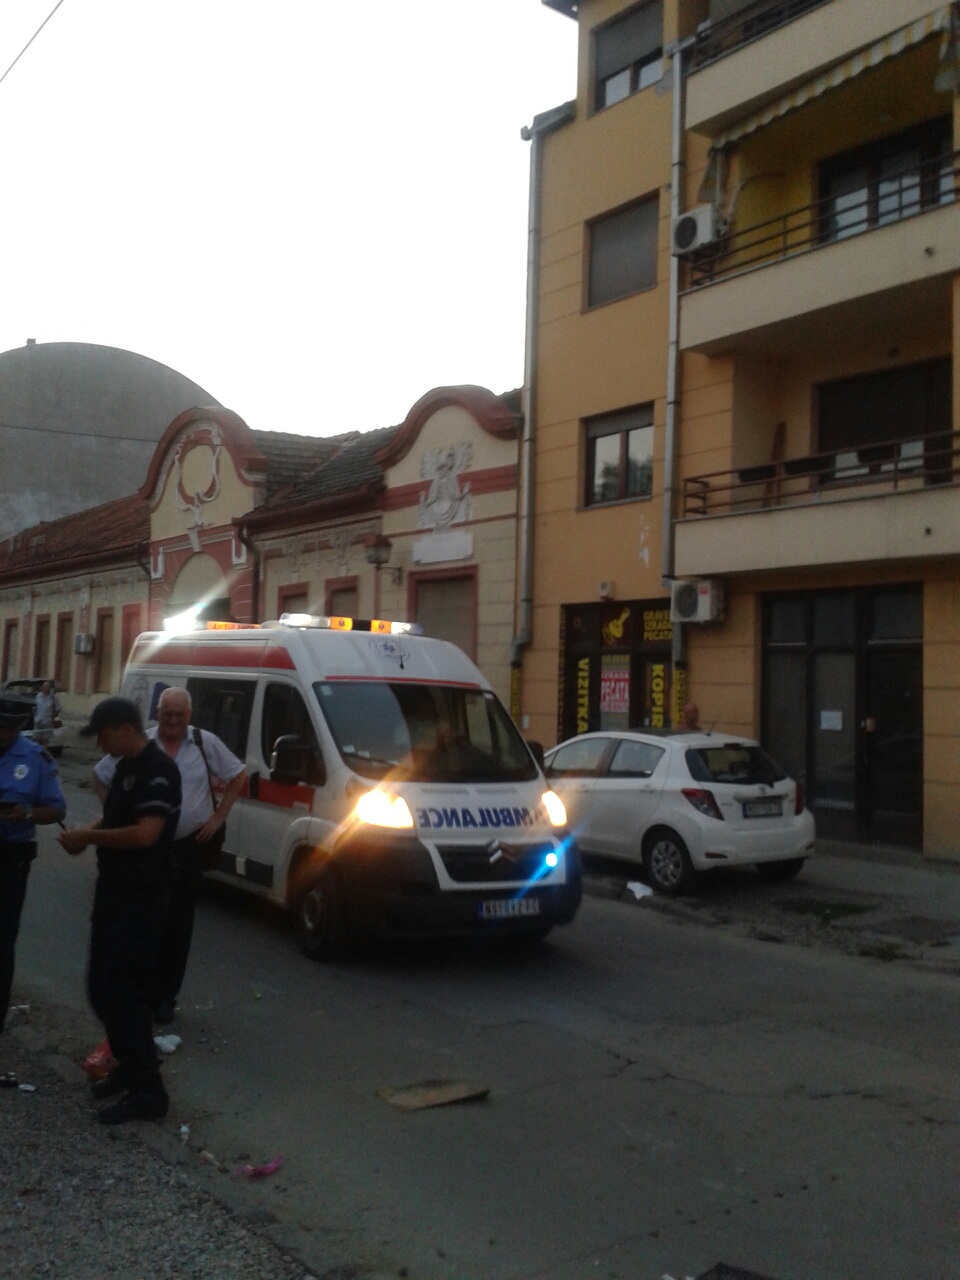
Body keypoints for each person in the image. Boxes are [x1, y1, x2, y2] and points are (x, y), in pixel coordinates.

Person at [58, 698, 181, 1125]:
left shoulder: (158, 771)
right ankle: (129, 1069)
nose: (100, 746)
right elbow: (113, 820)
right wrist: (85, 835)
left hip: (141, 899)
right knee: (102, 988)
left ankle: (149, 1092)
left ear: (124, 729)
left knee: (125, 995)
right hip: (115, 893)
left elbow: (146, 834)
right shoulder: (126, 768)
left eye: (103, 736)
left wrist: (90, 838)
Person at [92, 686, 245, 1025]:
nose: (173, 720)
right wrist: (115, 813)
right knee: (147, 924)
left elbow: (238, 775)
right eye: (167, 714)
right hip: (148, 850)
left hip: (188, 847)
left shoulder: (204, 743)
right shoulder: (141, 745)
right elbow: (99, 775)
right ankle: (141, 995)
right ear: (157, 713)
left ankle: (165, 998)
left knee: (178, 925)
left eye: (179, 715)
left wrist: (218, 818)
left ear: (189, 716)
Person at [0, 697, 66, 1044]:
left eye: (10, 727)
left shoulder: (35, 758)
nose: (3, 733)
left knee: (2, 941)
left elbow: (56, 809)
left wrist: (25, 814)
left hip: (11, 857)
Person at [33, 680, 62, 749]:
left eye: (47, 687)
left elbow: (58, 708)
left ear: (50, 688)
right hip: (38, 720)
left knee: (46, 738)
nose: (44, 688)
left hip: (47, 721)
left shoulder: (53, 698)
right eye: (43, 686)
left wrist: (53, 717)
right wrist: (35, 716)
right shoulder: (38, 696)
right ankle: (39, 750)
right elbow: (34, 707)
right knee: (38, 738)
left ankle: (45, 750)